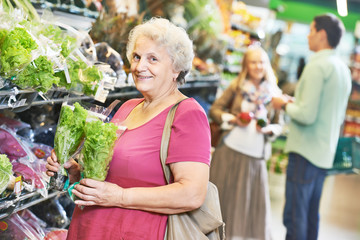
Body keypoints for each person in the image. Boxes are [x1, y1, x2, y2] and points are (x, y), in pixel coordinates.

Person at [46, 17, 211, 240]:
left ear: (176, 68)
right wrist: (74, 172)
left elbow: (192, 194)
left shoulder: (187, 114)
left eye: (153, 59)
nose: (139, 67)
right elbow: (111, 178)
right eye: (136, 56)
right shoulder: (128, 108)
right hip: (89, 229)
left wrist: (120, 197)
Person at [272, 14, 352, 240]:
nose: (308, 35)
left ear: (322, 35)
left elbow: (306, 115)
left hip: (305, 151)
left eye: (311, 30)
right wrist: (295, 103)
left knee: (295, 216)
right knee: (310, 215)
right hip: (324, 153)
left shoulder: (317, 65)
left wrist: (283, 105)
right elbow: (325, 110)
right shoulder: (341, 68)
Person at [209, 45, 283, 240]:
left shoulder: (274, 95)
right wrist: (232, 119)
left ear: (267, 65)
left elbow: (278, 125)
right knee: (223, 199)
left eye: (261, 62)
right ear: (246, 66)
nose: (258, 66)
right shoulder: (236, 87)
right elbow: (215, 110)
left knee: (247, 205)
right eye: (253, 62)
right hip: (230, 149)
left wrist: (268, 129)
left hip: (255, 156)